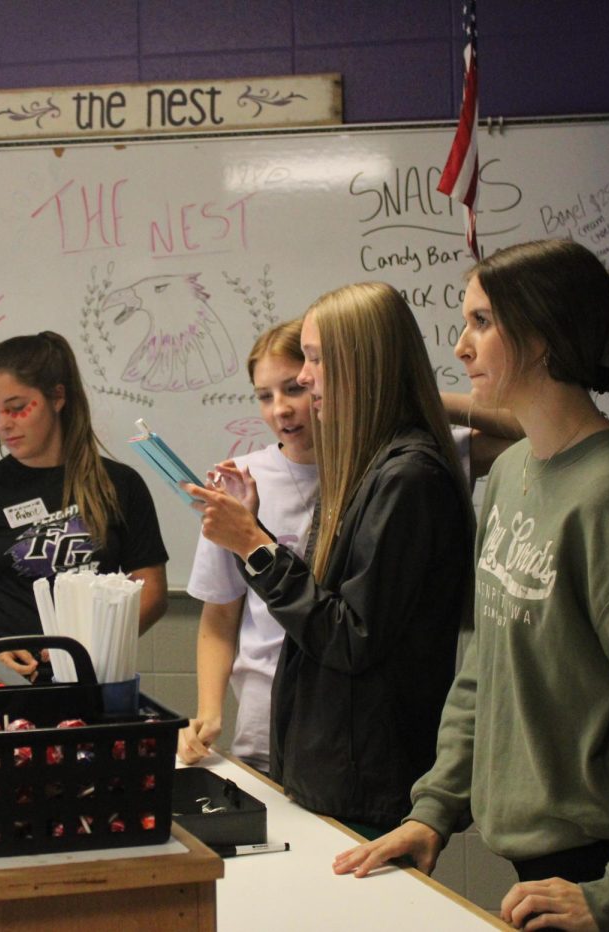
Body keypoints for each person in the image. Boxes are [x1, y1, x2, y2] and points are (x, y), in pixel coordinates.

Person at [333, 239, 609, 932]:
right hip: (536, 866)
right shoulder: (513, 473)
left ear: (543, 337)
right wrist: (435, 807)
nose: (461, 347)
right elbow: (488, 670)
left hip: (600, 870)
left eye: (483, 322)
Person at [189, 282, 474, 834]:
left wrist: (254, 543)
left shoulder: (407, 475)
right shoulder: (367, 464)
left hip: (366, 779)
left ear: (359, 363)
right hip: (330, 769)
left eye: (315, 359)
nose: (302, 378)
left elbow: (348, 634)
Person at [0, 332, 168, 679]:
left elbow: (151, 591)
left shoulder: (119, 485)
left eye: (16, 407)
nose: (3, 423)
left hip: (95, 677)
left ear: (57, 397)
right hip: (7, 680)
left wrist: (93, 646)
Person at [178, 320, 318, 773]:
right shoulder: (239, 478)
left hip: (343, 726)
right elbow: (221, 614)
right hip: (263, 725)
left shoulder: (386, 467)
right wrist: (209, 710)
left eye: (294, 388)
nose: (281, 409)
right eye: (264, 396)